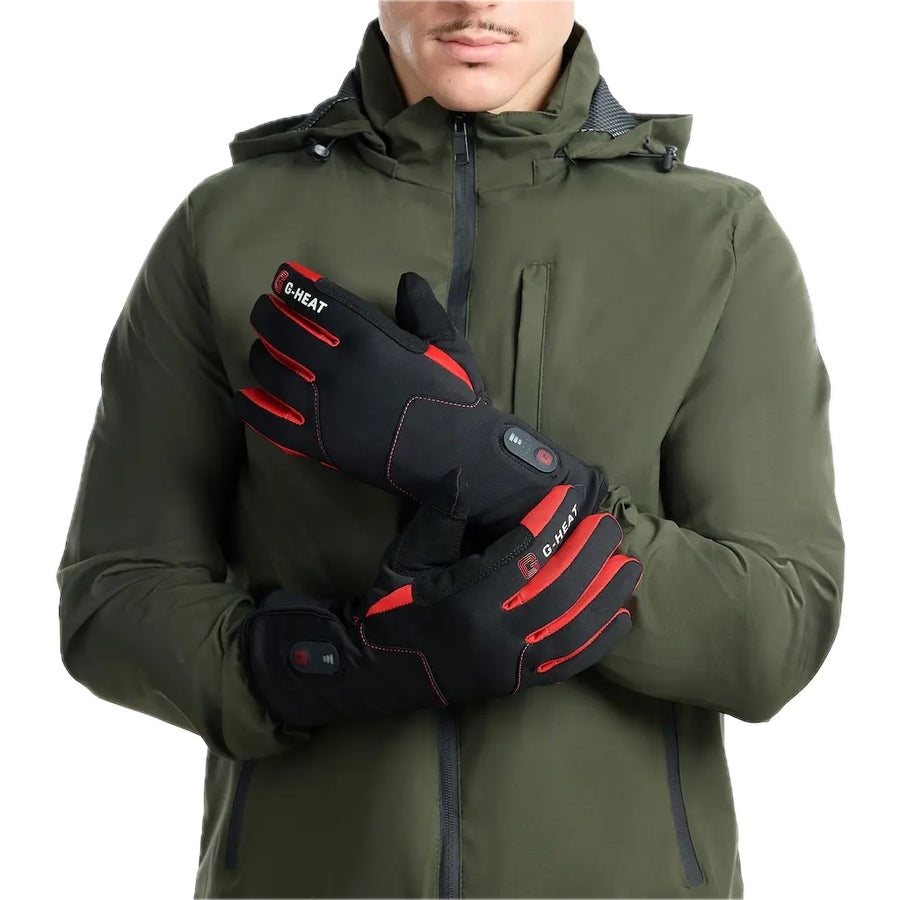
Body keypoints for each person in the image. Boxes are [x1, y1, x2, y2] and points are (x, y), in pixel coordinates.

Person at [57, 1, 844, 897]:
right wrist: (332, 667)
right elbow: (111, 595)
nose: (476, 4)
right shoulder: (229, 225)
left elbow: (772, 635)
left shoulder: (717, 237)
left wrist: (517, 483)